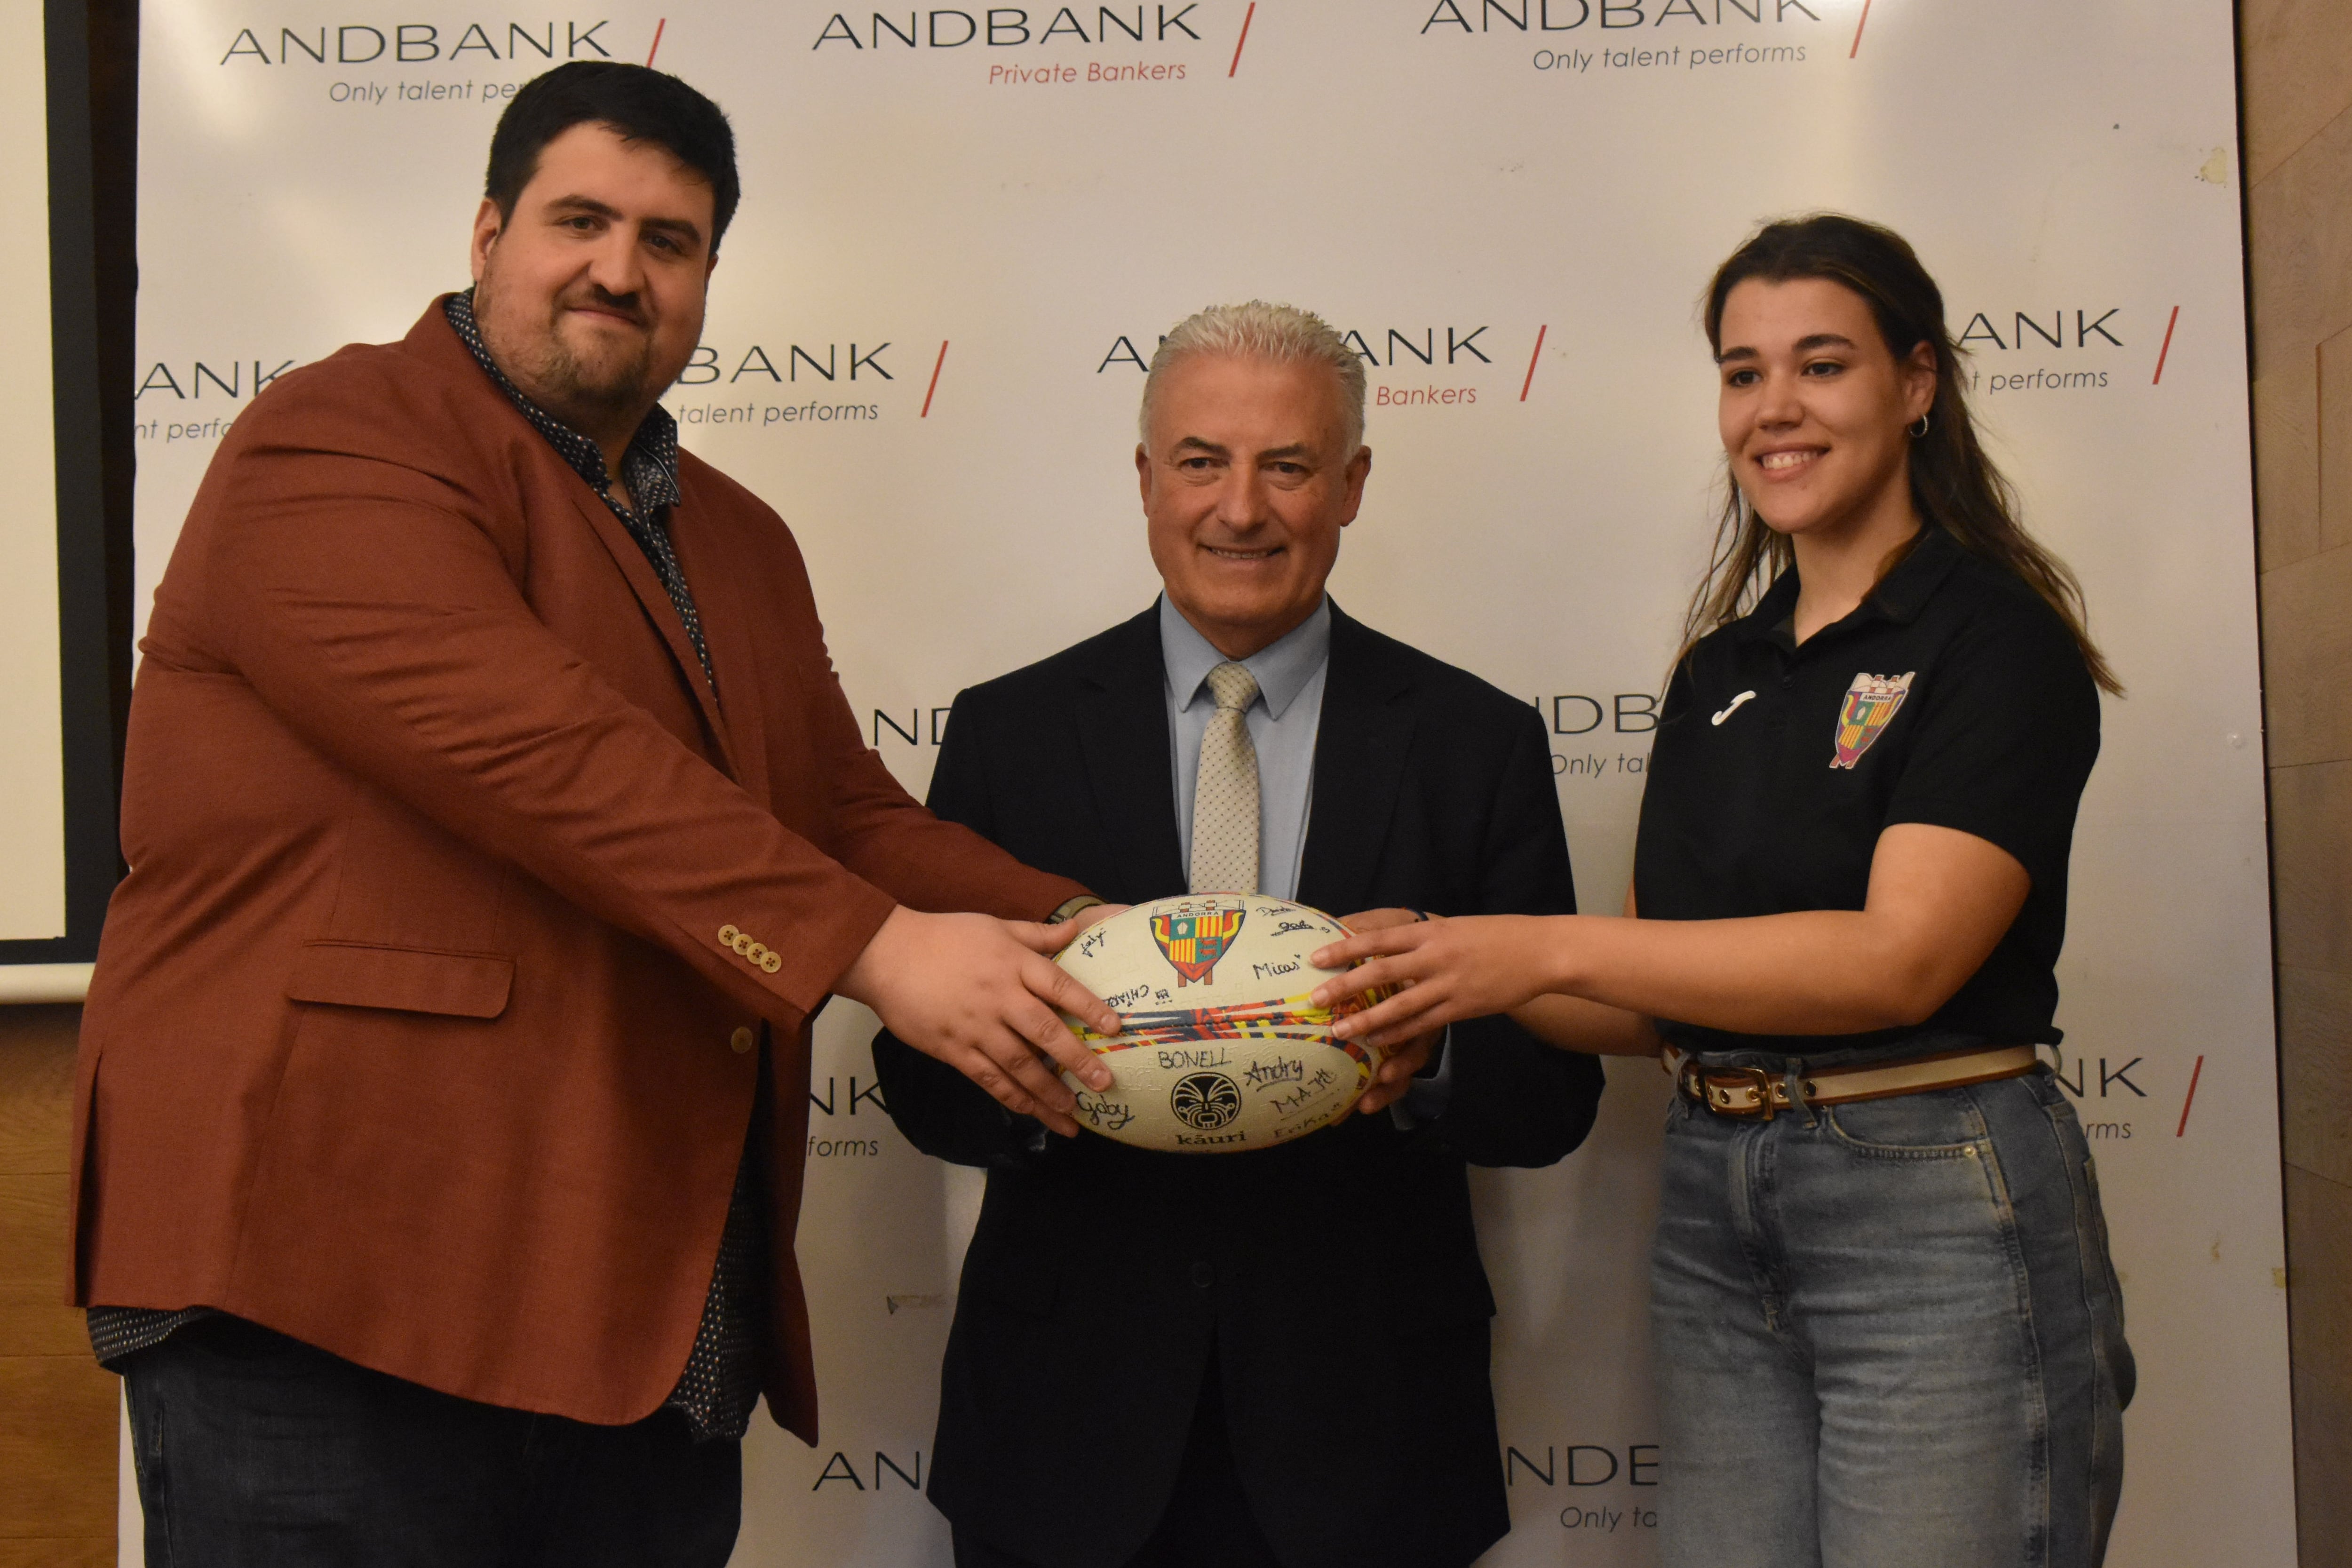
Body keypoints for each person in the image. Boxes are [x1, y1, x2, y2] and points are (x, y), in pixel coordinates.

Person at [69, 61, 1124, 1566]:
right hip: (322, 1277)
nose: (620, 271)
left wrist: (1099, 939)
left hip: (633, 1309)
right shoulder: (335, 443)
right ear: (489, 228)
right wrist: (880, 952)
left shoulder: (740, 536)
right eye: (581, 219)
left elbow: (838, 811)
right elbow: (537, 756)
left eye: (671, 241)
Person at [1312, 215, 2135, 1568]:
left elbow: (1897, 963)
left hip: (1931, 1195)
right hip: (1715, 1198)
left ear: (1917, 384)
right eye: (1743, 373)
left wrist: (1531, 946)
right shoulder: (1724, 667)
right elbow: (1650, 995)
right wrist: (1444, 967)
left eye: (1822, 365)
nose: (1775, 410)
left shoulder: (1992, 637)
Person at [870, 302, 1606, 1568]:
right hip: (1065, 1424)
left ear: (1354, 484)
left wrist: (1424, 1062)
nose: (1241, 509)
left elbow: (1551, 1098)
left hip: (1367, 1428)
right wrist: (1030, 1078)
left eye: (1289, 465)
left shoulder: (1474, 745)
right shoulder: (1013, 733)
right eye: (1202, 461)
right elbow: (915, 1075)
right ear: (1145, 479)